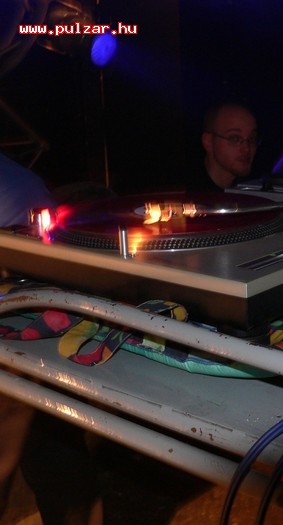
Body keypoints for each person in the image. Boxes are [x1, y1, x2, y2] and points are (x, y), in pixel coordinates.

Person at [0, 151, 103, 525]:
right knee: (56, 457)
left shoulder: (16, 186)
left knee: (53, 457)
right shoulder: (19, 180)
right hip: (40, 328)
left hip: (24, 331)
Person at [189, 101, 259, 191]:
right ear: (208, 142)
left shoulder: (254, 188)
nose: (246, 149)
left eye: (252, 139)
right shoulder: (184, 194)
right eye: (235, 139)